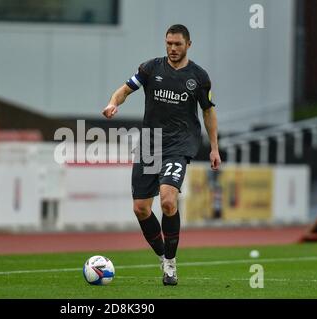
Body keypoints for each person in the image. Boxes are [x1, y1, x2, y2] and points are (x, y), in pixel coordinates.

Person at [102, 24, 221, 286]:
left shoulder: (199, 77)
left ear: (188, 44)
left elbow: (208, 111)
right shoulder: (150, 68)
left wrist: (213, 147)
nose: (172, 48)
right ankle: (162, 256)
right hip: (150, 143)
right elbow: (124, 90)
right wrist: (113, 103)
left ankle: (170, 263)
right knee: (141, 208)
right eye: (168, 43)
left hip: (180, 143)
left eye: (177, 44)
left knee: (168, 200)